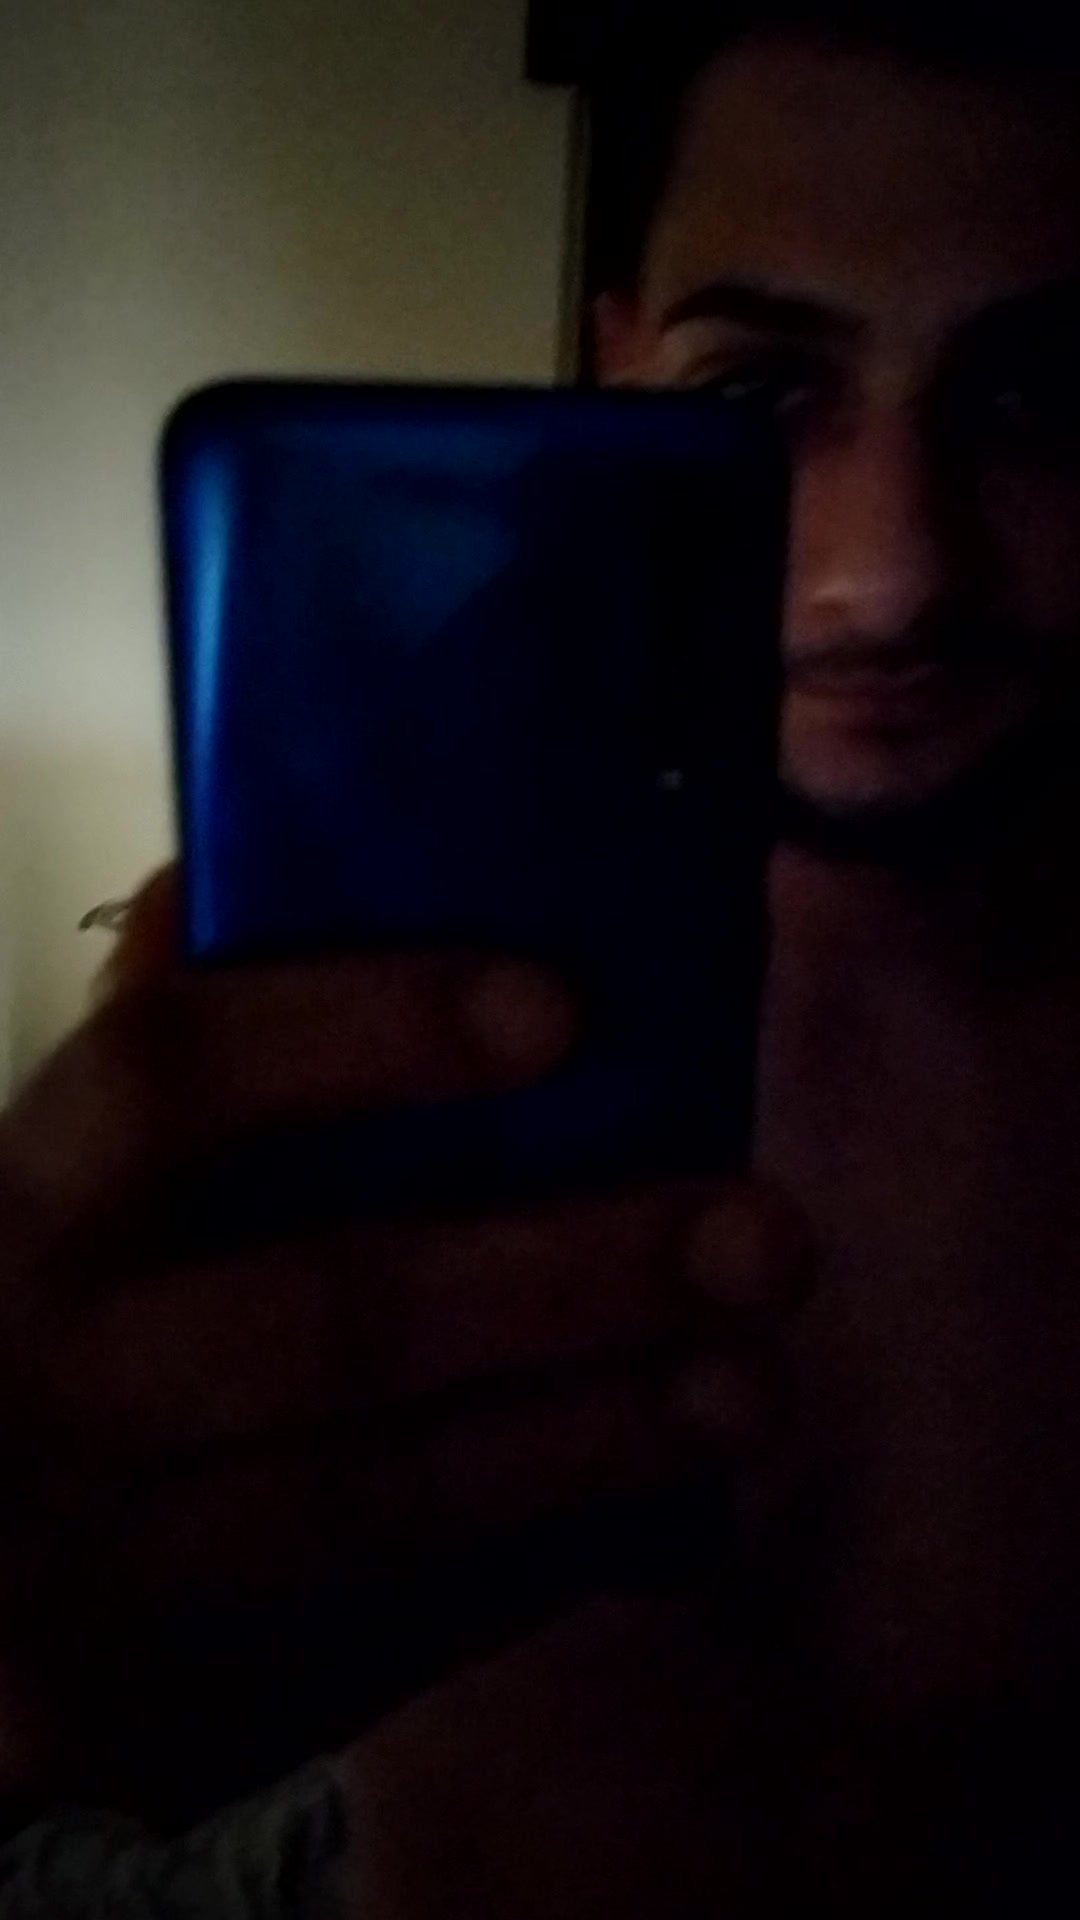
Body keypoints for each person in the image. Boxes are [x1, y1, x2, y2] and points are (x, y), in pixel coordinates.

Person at [4, 3, 1080, 1910]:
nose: (891, 571)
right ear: (615, 373)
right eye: (763, 394)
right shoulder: (396, 899)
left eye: (1035, 396)